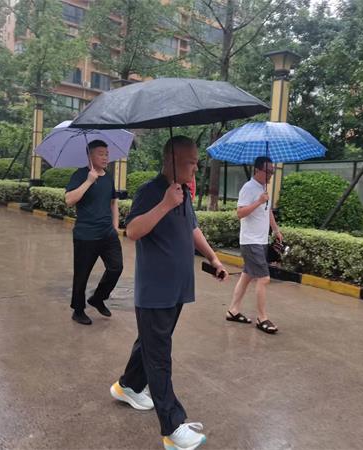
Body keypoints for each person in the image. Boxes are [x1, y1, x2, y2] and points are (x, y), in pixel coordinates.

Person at [110, 136, 228, 450]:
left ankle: (127, 386)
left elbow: (192, 228)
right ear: (171, 160)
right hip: (155, 291)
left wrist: (213, 258)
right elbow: (132, 231)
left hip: (177, 289)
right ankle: (172, 429)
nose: (196, 167)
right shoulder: (151, 192)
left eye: (197, 162)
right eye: (191, 162)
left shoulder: (183, 192)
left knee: (150, 343)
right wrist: (164, 204)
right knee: (159, 357)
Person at [65, 140, 123, 325]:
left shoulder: (108, 177)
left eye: (107, 154)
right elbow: (69, 200)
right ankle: (78, 310)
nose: (105, 157)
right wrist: (89, 181)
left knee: (116, 267)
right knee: (82, 275)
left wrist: (115, 226)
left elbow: (113, 202)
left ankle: (98, 298)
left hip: (108, 233)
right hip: (86, 234)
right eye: (101, 154)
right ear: (90, 156)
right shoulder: (80, 175)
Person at [226, 156, 283, 334]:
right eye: (268, 171)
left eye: (272, 171)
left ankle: (233, 310)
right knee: (264, 279)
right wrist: (258, 201)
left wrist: (276, 230)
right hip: (251, 241)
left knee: (247, 275)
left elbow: (268, 212)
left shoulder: (263, 189)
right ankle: (262, 318)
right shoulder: (249, 188)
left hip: (261, 240)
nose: (271, 174)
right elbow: (240, 213)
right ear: (257, 170)